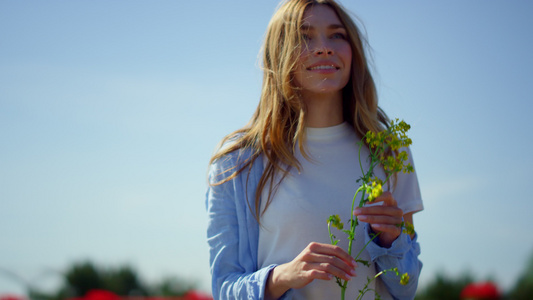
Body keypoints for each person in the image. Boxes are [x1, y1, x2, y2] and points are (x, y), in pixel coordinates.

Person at [205, 0, 423, 299]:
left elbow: (407, 288)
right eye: (304, 36)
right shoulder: (237, 165)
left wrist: (390, 241)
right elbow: (224, 288)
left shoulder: (391, 153)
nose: (323, 47)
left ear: (353, 51)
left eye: (337, 35)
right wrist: (282, 276)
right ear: (278, 54)